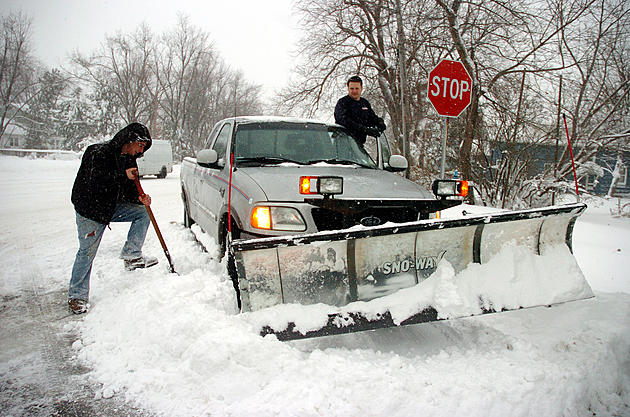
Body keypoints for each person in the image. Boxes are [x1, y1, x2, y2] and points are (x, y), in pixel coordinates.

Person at [68, 122, 158, 314]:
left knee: (142, 213)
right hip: (90, 210)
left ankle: (132, 255)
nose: (141, 151)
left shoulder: (129, 159)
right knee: (87, 252)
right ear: (130, 139)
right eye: (140, 146)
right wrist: (121, 175)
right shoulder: (97, 152)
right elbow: (94, 182)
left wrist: (139, 198)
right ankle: (77, 296)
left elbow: (126, 189)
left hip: (109, 207)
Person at [334, 75, 386, 145]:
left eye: (357, 88)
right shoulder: (342, 102)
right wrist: (364, 129)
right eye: (352, 88)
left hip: (358, 145)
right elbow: (343, 120)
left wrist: (379, 122)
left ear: (361, 88)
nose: (354, 91)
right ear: (348, 89)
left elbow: (371, 118)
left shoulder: (364, 103)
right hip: (343, 143)